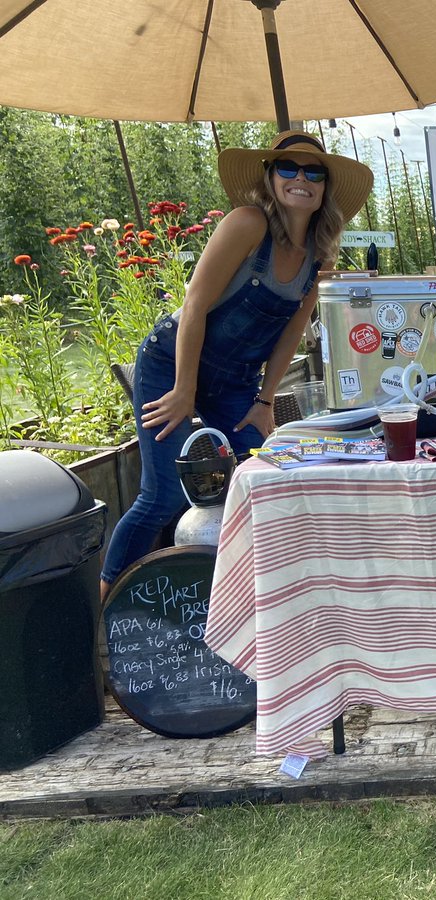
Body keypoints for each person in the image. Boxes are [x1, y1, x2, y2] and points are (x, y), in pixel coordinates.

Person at [99, 131, 373, 598]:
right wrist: (185, 391)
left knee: (270, 474)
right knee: (163, 494)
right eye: (287, 167)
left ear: (325, 187)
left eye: (314, 172)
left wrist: (265, 401)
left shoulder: (320, 255)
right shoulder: (247, 223)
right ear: (269, 178)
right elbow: (195, 305)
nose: (300, 179)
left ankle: (263, 594)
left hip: (236, 382)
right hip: (171, 362)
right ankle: (107, 613)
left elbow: (291, 334)